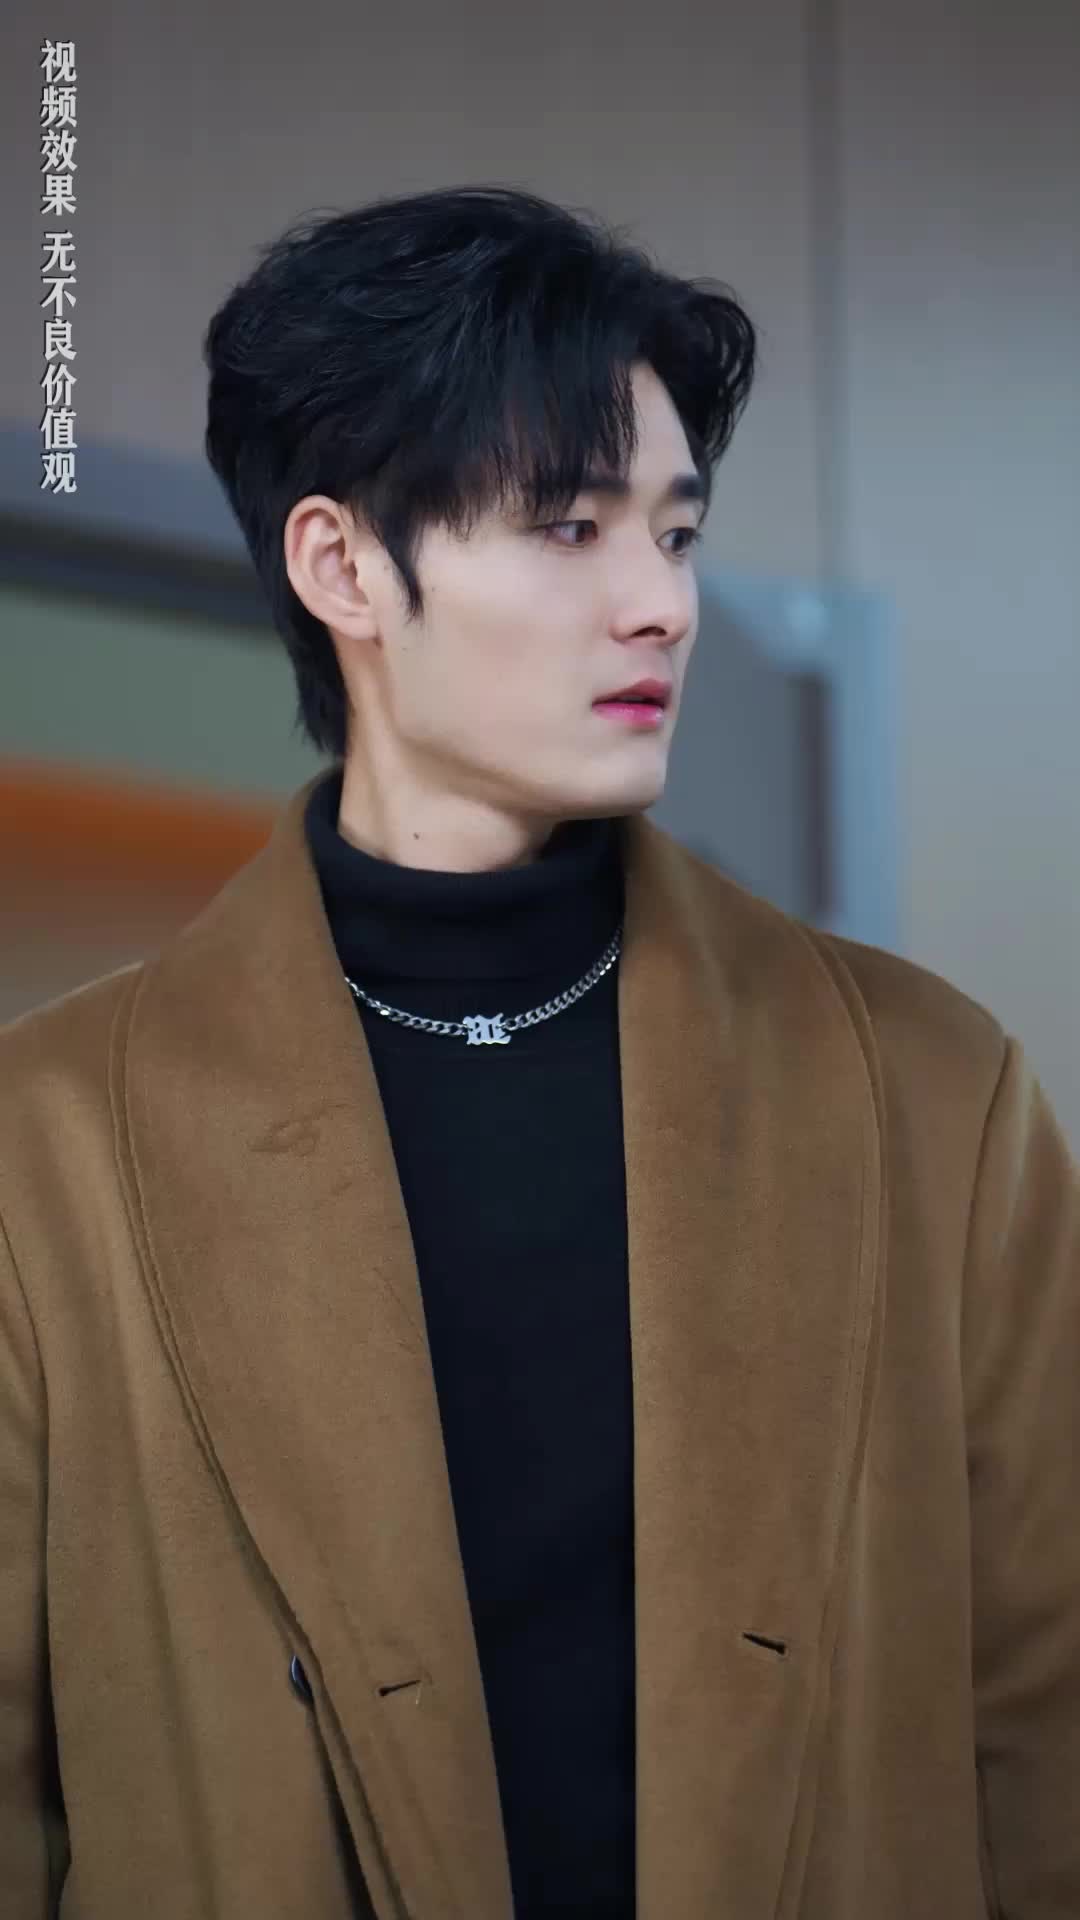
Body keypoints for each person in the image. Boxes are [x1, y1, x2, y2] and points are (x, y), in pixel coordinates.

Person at [0, 183, 1076, 1920]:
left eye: (677, 532)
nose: (661, 605)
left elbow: (1048, 1754)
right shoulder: (43, 1151)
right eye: (571, 527)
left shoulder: (935, 1100)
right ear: (345, 566)